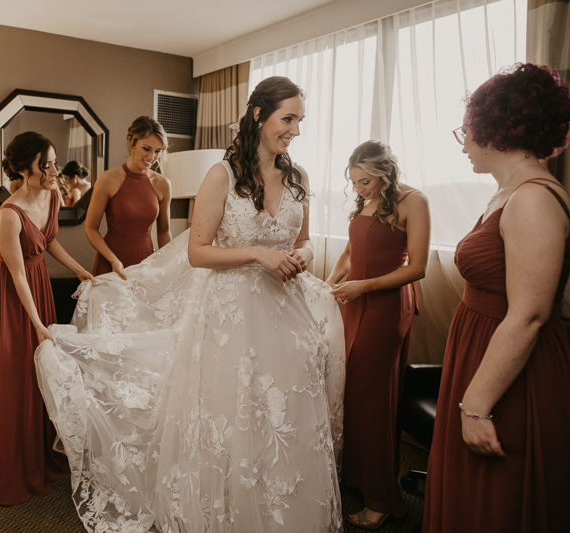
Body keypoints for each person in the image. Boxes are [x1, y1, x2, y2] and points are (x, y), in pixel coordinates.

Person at [35, 76, 345, 532]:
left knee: (285, 413)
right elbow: (198, 251)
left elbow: (305, 241)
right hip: (232, 313)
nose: (296, 130)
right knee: (235, 414)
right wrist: (258, 253)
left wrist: (301, 255)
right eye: (289, 118)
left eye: (300, 120)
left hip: (287, 313)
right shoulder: (223, 175)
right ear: (258, 115)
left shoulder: (298, 178)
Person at [423, 63, 570, 532]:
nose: (463, 143)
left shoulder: (532, 197)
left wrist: (477, 404)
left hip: (511, 374)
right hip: (481, 352)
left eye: (465, 130)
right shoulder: (509, 192)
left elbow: (528, 314)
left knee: (497, 503)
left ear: (495, 128)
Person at [0, 131, 95, 506]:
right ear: (27, 168)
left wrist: (79, 269)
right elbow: (16, 275)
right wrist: (37, 324)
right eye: (46, 165)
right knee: (15, 369)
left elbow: (48, 241)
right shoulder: (8, 214)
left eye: (54, 163)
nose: (54, 171)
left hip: (38, 283)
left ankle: (37, 450)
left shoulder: (54, 194)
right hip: (14, 297)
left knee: (40, 371)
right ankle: (7, 459)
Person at [326, 141, 430, 529]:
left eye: (365, 181)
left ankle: (383, 498)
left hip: (386, 304)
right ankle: (357, 476)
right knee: (350, 391)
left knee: (372, 401)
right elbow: (352, 251)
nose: (359, 189)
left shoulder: (413, 202)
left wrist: (362, 287)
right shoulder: (366, 202)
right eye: (354, 182)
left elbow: (417, 267)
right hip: (358, 297)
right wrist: (332, 281)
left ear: (385, 172)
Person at [85, 116, 172, 278]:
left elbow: (164, 232)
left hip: (145, 263)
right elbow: (90, 228)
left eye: (158, 151)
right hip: (111, 263)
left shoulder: (163, 184)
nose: (152, 157)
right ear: (132, 143)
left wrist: (168, 264)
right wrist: (113, 260)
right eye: (146, 149)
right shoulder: (107, 179)